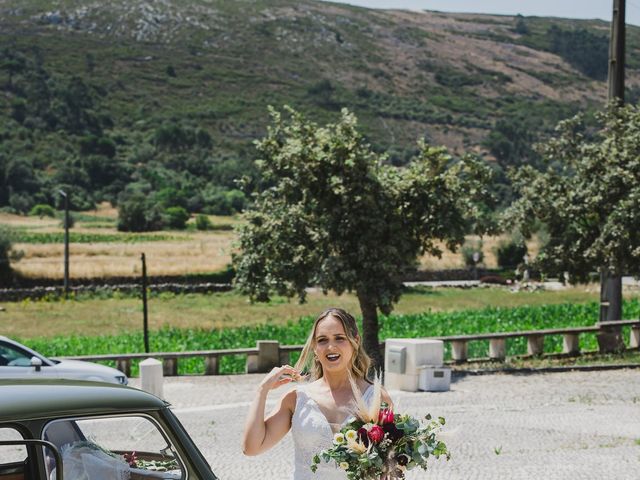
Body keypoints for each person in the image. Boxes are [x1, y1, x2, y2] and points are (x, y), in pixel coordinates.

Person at [242, 307, 393, 479]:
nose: (330, 346)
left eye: (339, 338)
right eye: (322, 340)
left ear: (356, 341)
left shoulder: (377, 398)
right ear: (314, 347)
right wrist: (262, 391)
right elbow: (252, 447)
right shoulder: (297, 399)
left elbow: (388, 468)